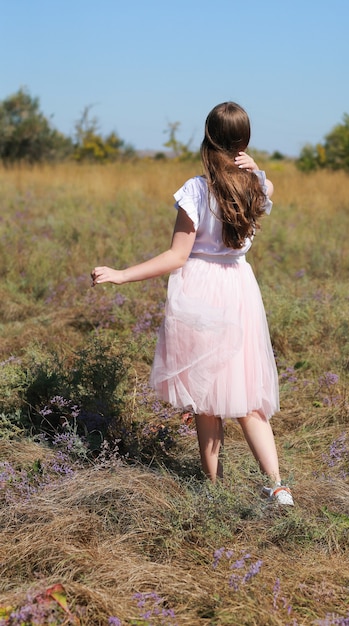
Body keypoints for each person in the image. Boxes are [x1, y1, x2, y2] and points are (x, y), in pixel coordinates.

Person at [91, 102, 293, 505]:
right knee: (248, 397)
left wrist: (121, 273)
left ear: (207, 138)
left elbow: (176, 257)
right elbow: (269, 190)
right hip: (239, 289)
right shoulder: (256, 188)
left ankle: (213, 489)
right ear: (244, 142)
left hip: (200, 292)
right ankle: (278, 486)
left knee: (206, 399)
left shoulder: (197, 190)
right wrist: (255, 170)